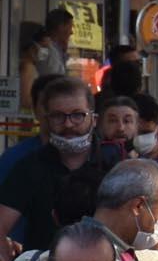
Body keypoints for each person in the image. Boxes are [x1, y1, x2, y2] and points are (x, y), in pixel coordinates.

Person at [0, 74, 105, 251]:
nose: (68, 124)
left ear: (93, 119)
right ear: (46, 120)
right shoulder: (29, 167)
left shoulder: (114, 165)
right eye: (58, 116)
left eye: (78, 115)